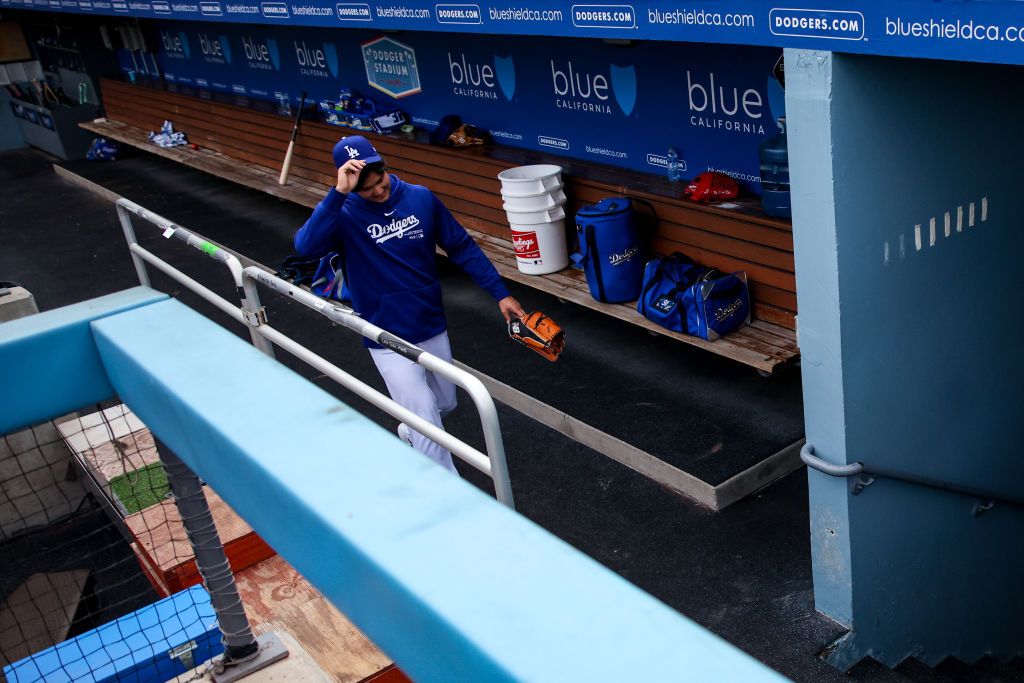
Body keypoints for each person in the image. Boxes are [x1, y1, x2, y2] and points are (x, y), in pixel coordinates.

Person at [294, 135, 525, 475]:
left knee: (445, 403)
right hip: (384, 333)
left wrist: (500, 293)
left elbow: (461, 247)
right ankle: (453, 496)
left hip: (429, 322)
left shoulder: (420, 198)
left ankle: (409, 432)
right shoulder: (342, 212)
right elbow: (305, 247)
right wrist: (339, 193)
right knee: (427, 421)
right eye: (366, 188)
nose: (377, 191)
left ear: (385, 166)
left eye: (380, 179)